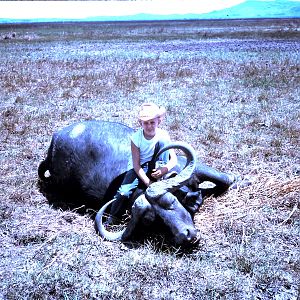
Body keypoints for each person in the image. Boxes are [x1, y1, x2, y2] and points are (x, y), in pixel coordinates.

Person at [109, 103, 177, 220]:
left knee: (163, 142)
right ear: (140, 123)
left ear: (158, 121)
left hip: (157, 164)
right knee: (123, 193)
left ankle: (162, 178)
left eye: (152, 122)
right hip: (140, 167)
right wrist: (148, 183)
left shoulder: (163, 134)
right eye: (146, 123)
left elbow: (174, 159)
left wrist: (164, 169)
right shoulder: (136, 138)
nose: (149, 126)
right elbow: (136, 165)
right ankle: (111, 217)